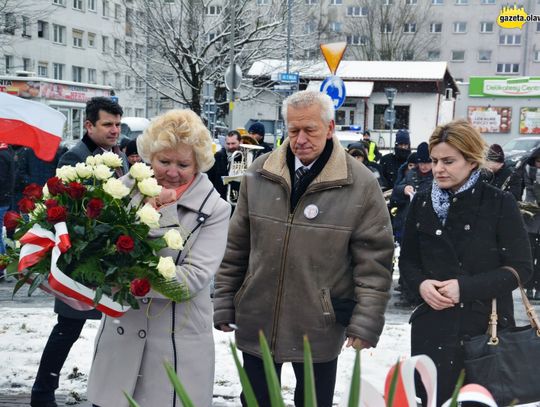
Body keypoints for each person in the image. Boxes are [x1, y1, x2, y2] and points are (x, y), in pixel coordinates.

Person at [213, 90, 394, 407]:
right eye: (293, 129)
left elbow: (374, 261)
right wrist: (225, 299)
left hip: (319, 321)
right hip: (258, 315)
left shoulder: (360, 183)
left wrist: (365, 320)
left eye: (310, 129)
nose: (300, 139)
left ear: (330, 127)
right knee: (256, 401)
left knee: (312, 402)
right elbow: (237, 245)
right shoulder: (259, 172)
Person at [87, 109, 230, 407]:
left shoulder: (215, 209)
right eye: (164, 161)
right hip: (121, 343)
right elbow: (97, 250)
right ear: (149, 156)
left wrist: (122, 274)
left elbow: (188, 282)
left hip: (176, 350)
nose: (172, 172)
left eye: (183, 164)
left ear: (199, 164)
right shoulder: (123, 190)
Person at [399, 119, 532, 406]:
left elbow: (521, 269)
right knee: (434, 399)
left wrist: (466, 288)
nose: (438, 169)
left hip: (485, 332)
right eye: (434, 161)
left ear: (472, 162)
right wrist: (421, 285)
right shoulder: (422, 202)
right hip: (432, 329)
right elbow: (408, 260)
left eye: (448, 161)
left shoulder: (499, 203)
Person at [30, 97, 126, 407]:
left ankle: (107, 393)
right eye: (107, 124)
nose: (115, 130)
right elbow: (68, 209)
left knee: (115, 327)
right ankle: (42, 392)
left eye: (117, 124)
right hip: (80, 257)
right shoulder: (74, 157)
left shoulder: (118, 156)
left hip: (111, 255)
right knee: (69, 326)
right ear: (89, 125)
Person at [522, 146, 540, 300]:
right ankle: (528, 287)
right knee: (530, 254)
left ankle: (539, 288)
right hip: (532, 216)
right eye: (538, 161)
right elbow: (529, 191)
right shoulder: (528, 170)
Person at [206, 130, 242, 202]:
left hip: (237, 199)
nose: (230, 146)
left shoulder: (243, 157)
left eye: (233, 143)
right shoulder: (218, 156)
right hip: (219, 199)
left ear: (240, 142)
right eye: (228, 144)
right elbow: (209, 178)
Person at [0, 143, 14, 280]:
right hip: (4, 198)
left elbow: (1, 179)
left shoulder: (2, 156)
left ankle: (2, 265)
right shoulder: (7, 154)